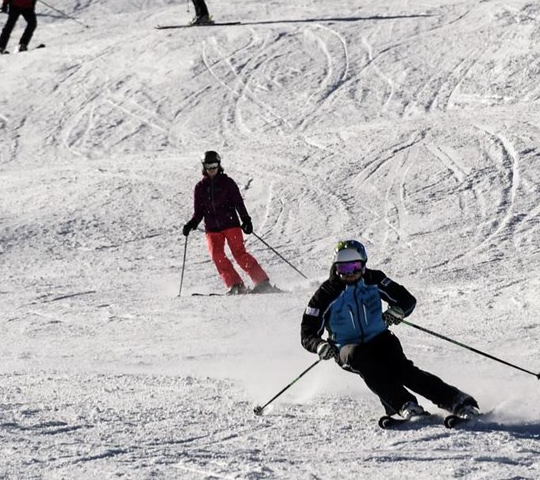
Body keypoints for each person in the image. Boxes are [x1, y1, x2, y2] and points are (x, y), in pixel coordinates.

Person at [300, 240, 480, 420]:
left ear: (363, 264)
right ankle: (404, 404)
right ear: (335, 268)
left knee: (403, 370)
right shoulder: (326, 294)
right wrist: (319, 345)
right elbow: (308, 332)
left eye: (354, 267)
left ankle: (458, 401)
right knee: (363, 360)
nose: (350, 273)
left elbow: (406, 299)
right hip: (346, 347)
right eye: (343, 268)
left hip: (380, 339)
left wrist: (398, 311)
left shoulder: (374, 279)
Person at [182, 151, 275, 295]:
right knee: (217, 256)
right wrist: (191, 224)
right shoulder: (200, 188)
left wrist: (246, 219)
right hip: (212, 228)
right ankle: (236, 285)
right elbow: (198, 212)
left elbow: (238, 202)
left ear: (219, 165)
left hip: (231, 224)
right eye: (209, 165)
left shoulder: (227, 183)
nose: (212, 168)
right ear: (204, 167)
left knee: (239, 254)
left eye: (214, 165)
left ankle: (262, 282)